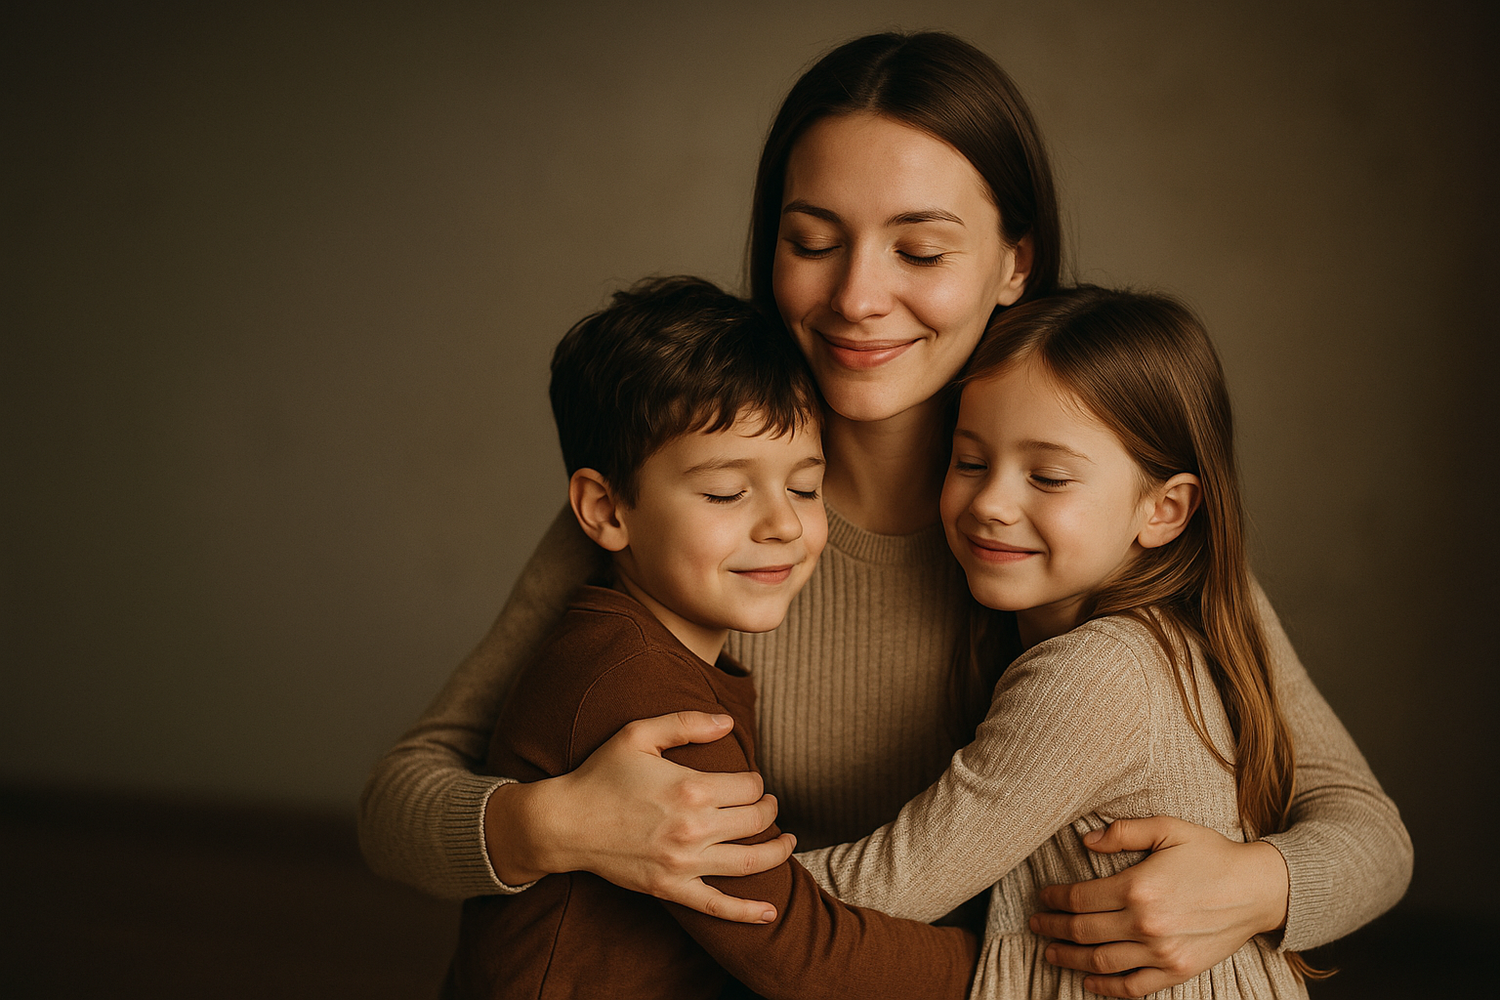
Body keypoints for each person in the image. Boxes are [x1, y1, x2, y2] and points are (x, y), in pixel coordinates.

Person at [361, 32, 1411, 998]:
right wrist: (548, 824)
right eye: (813, 240)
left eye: (920, 251)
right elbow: (397, 804)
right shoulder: (689, 496)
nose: (858, 296)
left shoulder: (1084, 514)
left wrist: (1258, 886)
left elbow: (1371, 834)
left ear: (1015, 262)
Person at [444, 275, 978, 999]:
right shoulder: (642, 691)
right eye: (727, 492)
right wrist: (1007, 967)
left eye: (805, 487)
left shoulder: (655, 651)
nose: (783, 524)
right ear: (606, 510)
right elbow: (795, 950)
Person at [801, 285, 1325, 998]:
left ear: (1164, 509)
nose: (991, 503)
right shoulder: (1139, 639)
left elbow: (890, 884)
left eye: (1048, 477)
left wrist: (671, 876)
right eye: (969, 462)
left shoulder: (1096, 674)